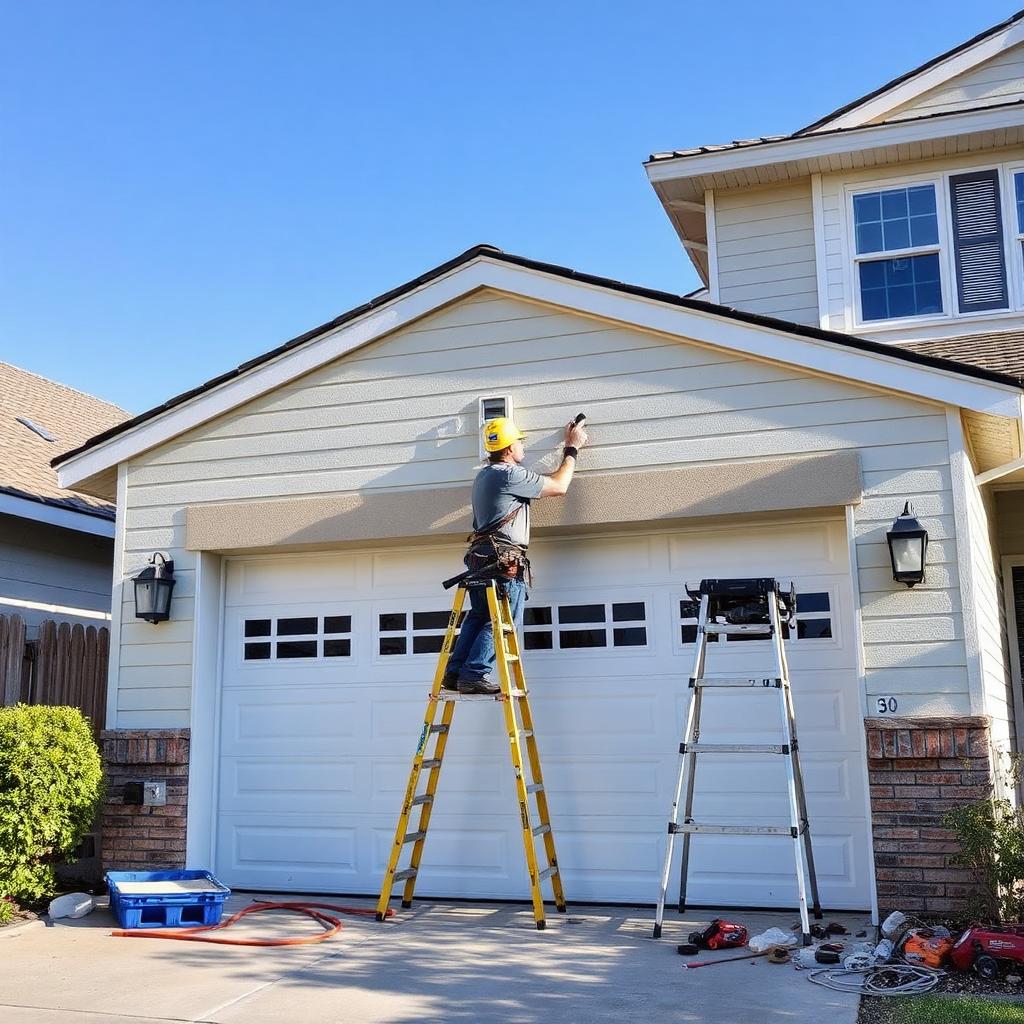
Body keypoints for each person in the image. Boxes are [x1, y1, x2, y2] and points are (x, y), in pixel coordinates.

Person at [442, 415, 589, 694]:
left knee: (479, 616)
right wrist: (572, 448)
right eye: (520, 442)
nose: (523, 446)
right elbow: (559, 486)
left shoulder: (485, 475)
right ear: (509, 448)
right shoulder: (509, 475)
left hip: (482, 558)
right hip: (503, 561)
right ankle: (474, 674)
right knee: (501, 620)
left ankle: (455, 672)